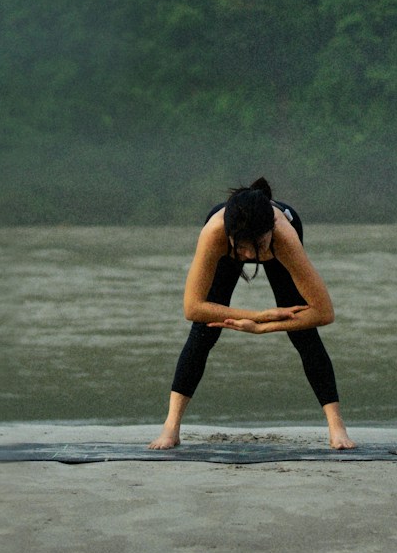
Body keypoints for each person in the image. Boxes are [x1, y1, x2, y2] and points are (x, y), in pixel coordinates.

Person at [150, 177, 352, 450]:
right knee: (203, 331)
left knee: (303, 332)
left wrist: (263, 328)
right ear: (229, 236)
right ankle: (171, 427)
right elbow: (192, 308)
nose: (248, 254)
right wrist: (259, 315)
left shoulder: (285, 236)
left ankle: (337, 427)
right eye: (241, 247)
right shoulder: (214, 233)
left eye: (257, 245)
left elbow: (324, 312)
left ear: (271, 231)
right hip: (227, 242)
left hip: (279, 239)